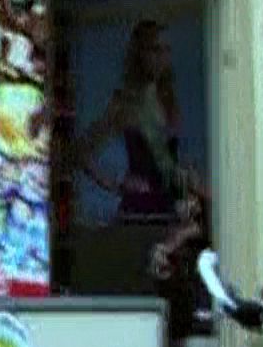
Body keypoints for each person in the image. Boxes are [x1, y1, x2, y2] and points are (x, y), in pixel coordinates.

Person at [75, 19, 201, 223]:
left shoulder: (169, 100)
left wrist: (192, 186)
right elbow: (81, 152)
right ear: (140, 54)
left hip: (170, 213)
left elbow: (177, 162)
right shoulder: (125, 101)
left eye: (166, 50)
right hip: (137, 214)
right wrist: (117, 183)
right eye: (155, 50)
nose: (162, 57)